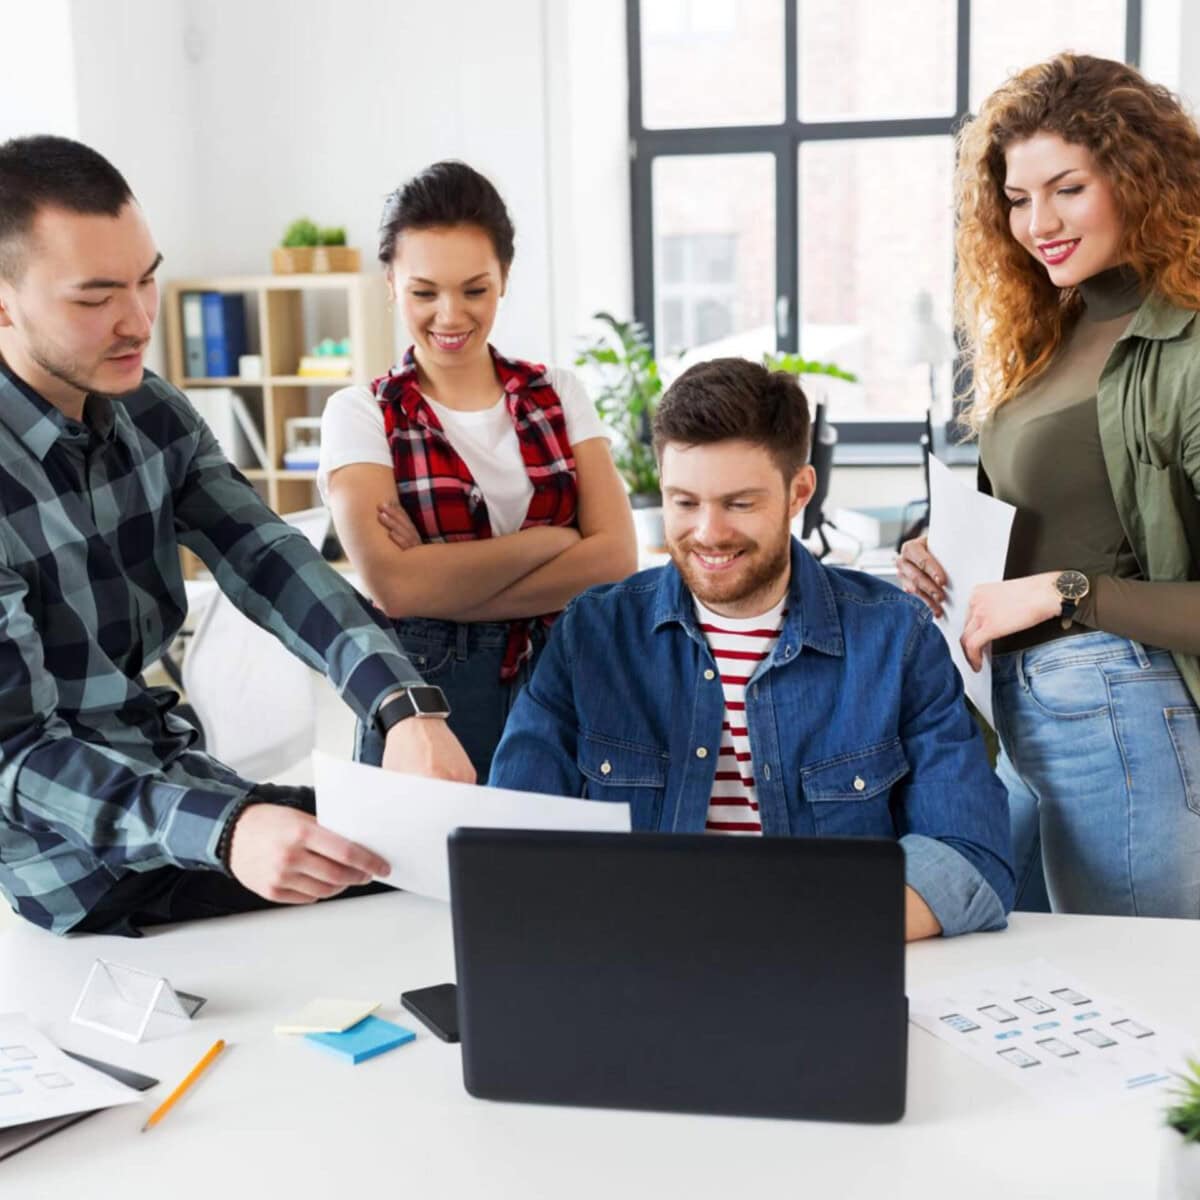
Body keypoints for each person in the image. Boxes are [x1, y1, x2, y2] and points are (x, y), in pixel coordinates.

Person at [0, 135, 475, 937]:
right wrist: (224, 830)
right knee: (420, 895)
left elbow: (271, 558)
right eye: (94, 298)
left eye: (148, 280)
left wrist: (404, 707)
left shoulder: (150, 410)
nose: (138, 320)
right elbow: (15, 756)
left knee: (455, 854)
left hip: (185, 796)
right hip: (80, 874)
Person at [491, 357, 1014, 940]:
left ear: (800, 492)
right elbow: (511, 844)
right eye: (684, 503)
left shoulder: (897, 638)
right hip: (634, 966)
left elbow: (971, 857)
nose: (709, 533)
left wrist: (779, 930)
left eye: (739, 504)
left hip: (823, 967)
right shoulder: (592, 635)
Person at [898, 54, 1200, 919]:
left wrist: (1066, 593)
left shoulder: (1187, 345)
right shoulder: (1054, 333)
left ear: (1142, 177)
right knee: (1028, 990)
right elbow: (1043, 511)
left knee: (1137, 1008)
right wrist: (932, 546)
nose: (1039, 224)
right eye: (1018, 198)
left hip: (1121, 709)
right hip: (1015, 711)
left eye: (1067, 189)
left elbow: (1078, 573)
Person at [320, 161, 636, 779]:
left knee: (556, 869)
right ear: (390, 282)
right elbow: (397, 589)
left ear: (504, 278)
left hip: (563, 676)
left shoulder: (559, 391)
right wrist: (553, 542)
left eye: (474, 289)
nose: (450, 315)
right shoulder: (358, 415)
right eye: (424, 291)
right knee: (419, 873)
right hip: (429, 697)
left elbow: (614, 560)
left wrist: (445, 583)